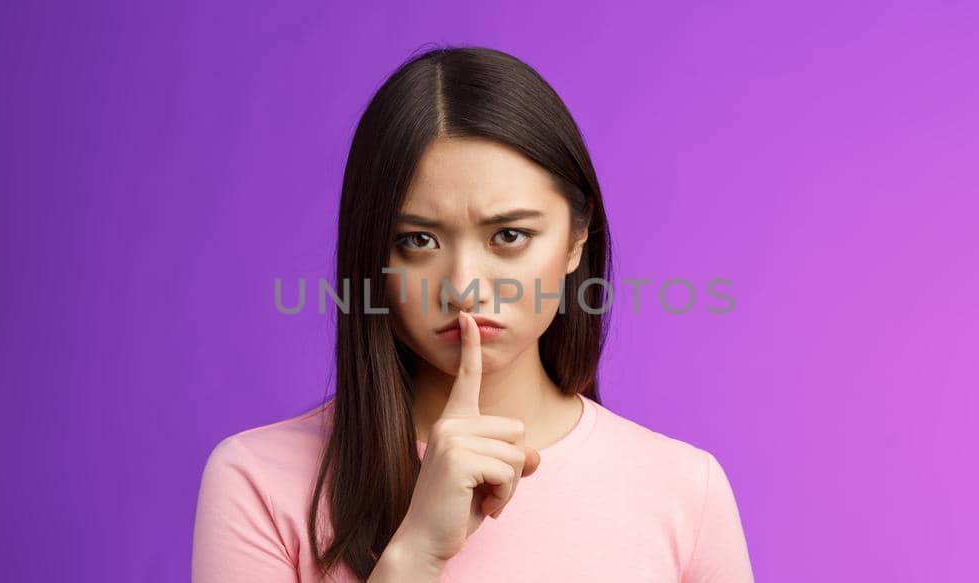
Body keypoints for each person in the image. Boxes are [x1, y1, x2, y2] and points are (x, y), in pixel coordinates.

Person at [192, 46, 753, 582]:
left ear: (577, 238)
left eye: (509, 235)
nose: (463, 288)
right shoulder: (259, 480)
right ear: (370, 254)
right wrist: (415, 555)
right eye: (416, 240)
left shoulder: (683, 489)